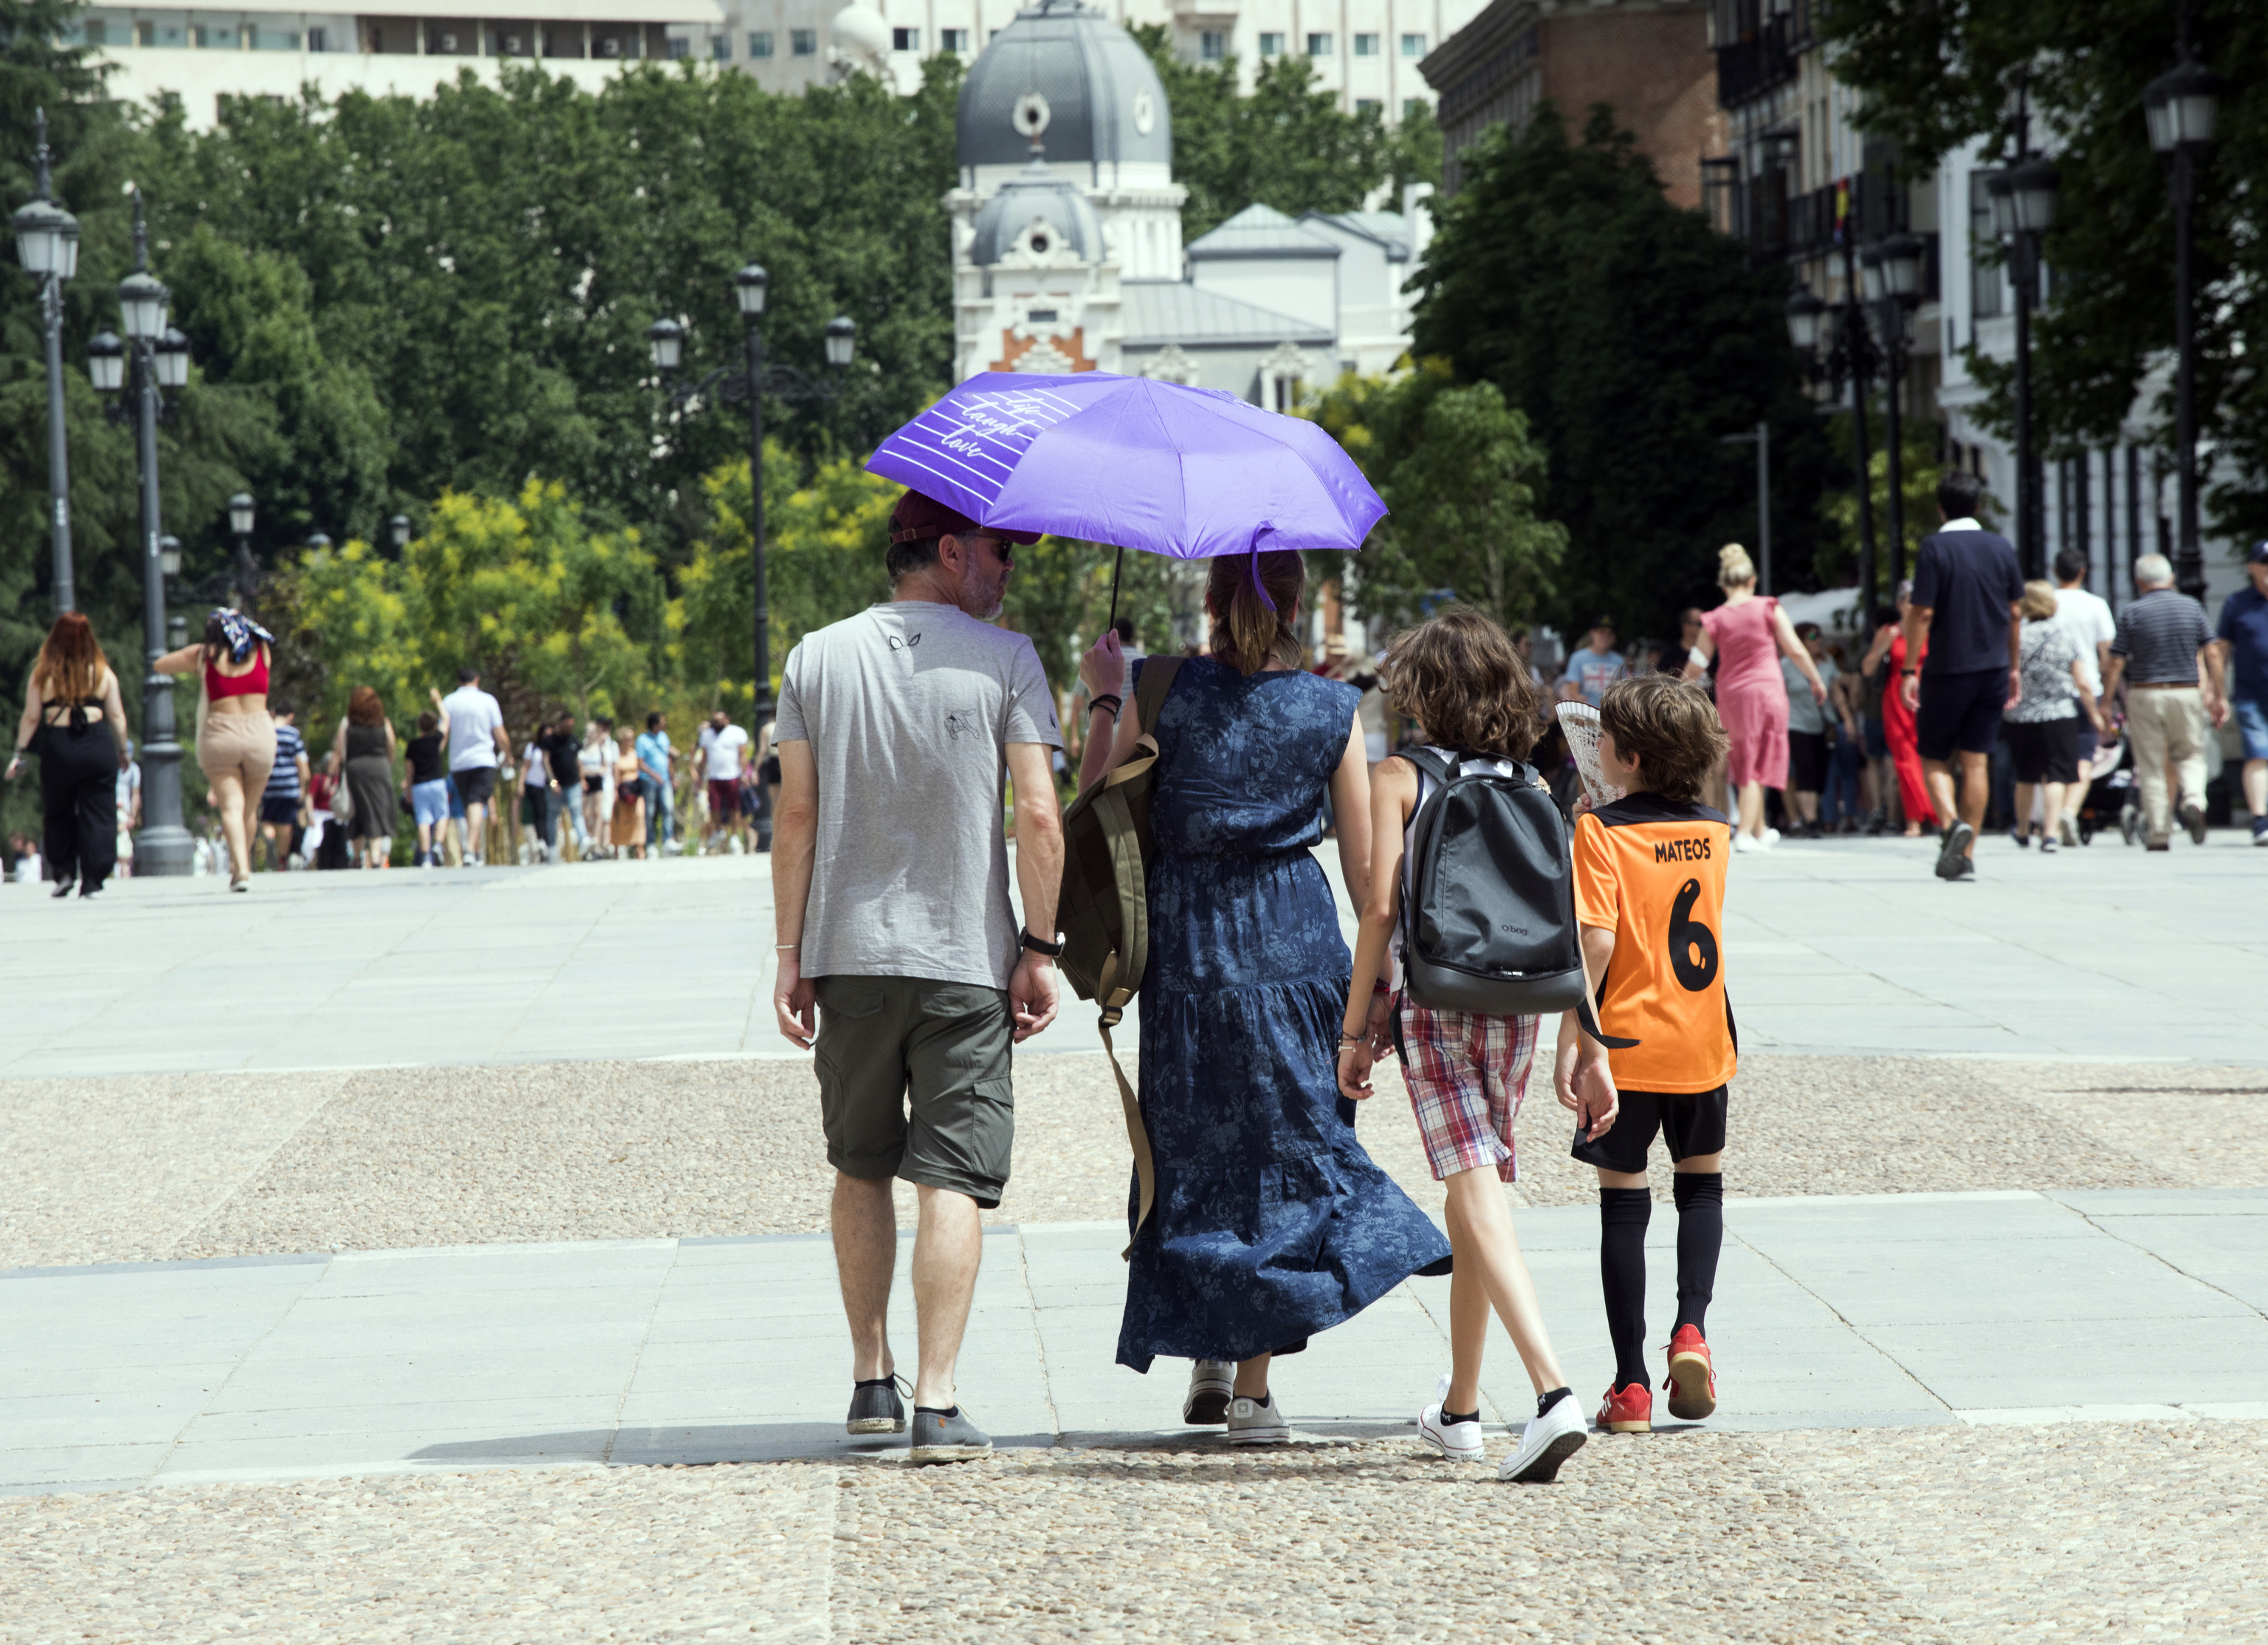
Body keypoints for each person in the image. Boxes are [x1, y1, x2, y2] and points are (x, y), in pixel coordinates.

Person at [1077, 549, 1452, 1449]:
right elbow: (1371, 882)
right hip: (1297, 946)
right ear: (1294, 609)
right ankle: (1250, 1388)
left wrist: (1101, 692)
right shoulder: (1332, 708)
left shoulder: (1158, 685)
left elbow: (1092, 800)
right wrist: (1377, 992)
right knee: (1289, 1157)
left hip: (1190, 952)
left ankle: (1208, 1357)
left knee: (1195, 1154)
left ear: (1208, 603)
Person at [772, 488, 1062, 1466]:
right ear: (950, 551)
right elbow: (1038, 814)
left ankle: (869, 1380)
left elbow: (797, 817)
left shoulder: (815, 654)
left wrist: (789, 955)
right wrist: (1040, 946)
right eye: (1001, 554)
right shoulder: (1010, 660)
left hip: (848, 953)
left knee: (859, 1166)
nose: (1009, 570)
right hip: (963, 961)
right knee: (952, 1179)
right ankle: (936, 1402)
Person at [1336, 608, 1592, 1483]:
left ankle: (1553, 1390)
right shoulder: (1525, 776)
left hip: (1436, 1000)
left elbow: (1379, 907)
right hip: (1516, 1001)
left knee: (1473, 1184)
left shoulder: (1399, 772)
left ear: (1422, 688)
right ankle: (1461, 1407)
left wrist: (1356, 1023)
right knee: (1474, 1190)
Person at [1554, 674, 1734, 1436]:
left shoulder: (1600, 832)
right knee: (1702, 1188)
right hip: (1703, 1034)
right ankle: (1691, 1328)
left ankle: (1630, 1384)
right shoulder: (1717, 829)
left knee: (1623, 1205)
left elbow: (1596, 936)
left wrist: (1575, 1029)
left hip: (1624, 1042)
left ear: (1622, 755)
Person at [1903, 473, 2025, 881]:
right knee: (1977, 762)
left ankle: (1951, 823)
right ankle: (1967, 853)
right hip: (1992, 668)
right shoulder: (2001, 547)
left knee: (1933, 755)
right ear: (1977, 506)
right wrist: (2013, 667)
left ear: (1941, 507)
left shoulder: (1934, 548)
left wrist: (1909, 668)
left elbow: (1922, 612)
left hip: (1948, 667)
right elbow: (2015, 612)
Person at [1685, 544, 1824, 853]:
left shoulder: (1715, 618)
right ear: (1751, 581)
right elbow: (1796, 650)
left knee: (1745, 756)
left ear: (1723, 585)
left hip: (1733, 694)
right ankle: (1745, 833)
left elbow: (1697, 663)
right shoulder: (1768, 608)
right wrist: (1815, 679)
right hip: (1768, 689)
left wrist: (1675, 693)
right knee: (1759, 759)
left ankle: (1760, 829)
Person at [2105, 553, 2227, 851]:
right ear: (2171, 578)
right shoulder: (2192, 607)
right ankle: (2195, 800)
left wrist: (2106, 701)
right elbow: (2212, 653)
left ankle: (2159, 832)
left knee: (2151, 765)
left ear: (2138, 581)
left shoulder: (2131, 612)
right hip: (2186, 692)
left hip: (2145, 693)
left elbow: (2116, 662)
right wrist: (2219, 694)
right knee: (2189, 754)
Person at [6, 612, 131, 899]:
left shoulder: (42, 675)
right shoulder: (102, 673)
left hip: (59, 747)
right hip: (97, 744)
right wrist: (123, 749)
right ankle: (94, 879)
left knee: (58, 810)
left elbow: (30, 717)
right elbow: (116, 714)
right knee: (99, 812)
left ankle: (63, 872)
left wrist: (19, 752)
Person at [154, 610, 276, 892]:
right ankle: (239, 867)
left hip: (221, 735)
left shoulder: (204, 655)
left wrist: (200, 652)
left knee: (231, 807)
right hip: (260, 733)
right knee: (249, 808)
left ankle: (241, 870)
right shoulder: (261, 650)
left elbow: (161, 665)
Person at [2004, 581, 2104, 854]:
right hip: (2059, 714)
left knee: (2025, 775)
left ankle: (2023, 829)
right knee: (2056, 775)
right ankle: (2050, 833)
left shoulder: (2016, 637)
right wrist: (2094, 715)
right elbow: (2082, 682)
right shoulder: (2063, 636)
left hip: (2021, 715)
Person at [2050, 549, 2118, 841]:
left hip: (2051, 692)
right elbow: (2108, 654)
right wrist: (2106, 697)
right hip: (2087, 688)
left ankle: (2050, 822)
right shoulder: (2096, 605)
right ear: (2083, 572)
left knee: (2053, 758)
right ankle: (2069, 809)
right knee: (2085, 755)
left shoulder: (2047, 603)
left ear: (2055, 572)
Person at [1861, 583, 1934, 836]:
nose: (1914, 605)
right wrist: (1883, 646)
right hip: (1896, 698)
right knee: (1904, 759)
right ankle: (1915, 818)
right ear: (1900, 603)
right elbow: (1867, 669)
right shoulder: (1888, 631)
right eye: (1909, 600)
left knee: (1927, 756)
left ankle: (1934, 813)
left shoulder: (1931, 628)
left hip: (1927, 696)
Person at [2214, 540, 2268, 846]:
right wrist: (2217, 692)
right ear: (2252, 568)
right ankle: (2260, 819)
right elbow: (2221, 651)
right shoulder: (2238, 603)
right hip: (2250, 694)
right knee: (2259, 753)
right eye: (2264, 562)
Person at [438, 670, 509, 867]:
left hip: (459, 763)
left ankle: (474, 852)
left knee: (470, 804)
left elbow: (442, 732)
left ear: (458, 682)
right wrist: (508, 755)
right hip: (483, 759)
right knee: (476, 803)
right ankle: (470, 849)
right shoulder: (488, 701)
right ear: (477, 681)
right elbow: (500, 734)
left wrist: (436, 755)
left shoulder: (449, 701)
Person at [327, 687, 399, 870]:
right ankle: (375, 856)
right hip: (379, 768)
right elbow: (391, 746)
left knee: (358, 811)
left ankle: (357, 857)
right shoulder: (383, 722)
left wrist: (331, 776)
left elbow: (338, 751)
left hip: (356, 769)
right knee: (377, 809)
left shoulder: (347, 723)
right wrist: (387, 764)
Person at [1781, 622, 1839, 839]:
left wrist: (1841, 721)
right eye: (1813, 636)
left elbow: (1835, 695)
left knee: (1819, 773)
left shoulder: (1827, 663)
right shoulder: (1786, 665)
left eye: (1820, 635)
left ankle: (1810, 816)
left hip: (1819, 724)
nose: (1818, 640)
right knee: (1804, 771)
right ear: (1800, 639)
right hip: (1794, 724)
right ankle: (1811, 821)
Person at [259, 708, 310, 870]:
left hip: (269, 785)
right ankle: (282, 859)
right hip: (289, 785)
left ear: (274, 714)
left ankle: (270, 838)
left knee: (267, 820)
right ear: (291, 716)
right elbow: (301, 763)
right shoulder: (293, 735)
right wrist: (302, 785)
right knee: (286, 823)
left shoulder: (266, 733)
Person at [696, 710, 752, 854]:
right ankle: (719, 830)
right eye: (714, 721)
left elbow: (743, 755)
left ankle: (734, 836)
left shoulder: (737, 733)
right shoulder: (707, 735)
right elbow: (704, 758)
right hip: (714, 776)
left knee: (734, 807)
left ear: (727, 720)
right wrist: (699, 777)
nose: (716, 724)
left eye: (719, 721)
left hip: (732, 775)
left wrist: (744, 773)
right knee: (714, 806)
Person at [403, 710, 450, 867]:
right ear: (435, 726)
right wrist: (438, 701)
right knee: (442, 815)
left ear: (419, 726)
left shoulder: (413, 745)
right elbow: (447, 720)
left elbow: (409, 770)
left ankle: (426, 857)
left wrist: (409, 790)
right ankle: (438, 845)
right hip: (437, 782)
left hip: (419, 786)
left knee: (423, 820)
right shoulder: (436, 740)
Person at [542, 715, 586, 859]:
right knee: (553, 816)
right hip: (556, 786)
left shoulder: (573, 739)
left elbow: (578, 761)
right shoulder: (549, 741)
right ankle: (553, 847)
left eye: (571, 727)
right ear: (560, 724)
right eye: (567, 726)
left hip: (573, 784)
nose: (569, 729)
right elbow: (546, 762)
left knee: (577, 812)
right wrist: (553, 783)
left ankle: (584, 839)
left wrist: (582, 779)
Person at [1558, 617, 1626, 708]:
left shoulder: (1619, 661)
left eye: (1610, 633)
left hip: (1611, 713)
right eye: (1602, 632)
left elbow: (1623, 691)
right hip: (1586, 713)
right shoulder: (1578, 658)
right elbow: (1573, 691)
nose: (1606, 636)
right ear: (1592, 633)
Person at [637, 712, 678, 854]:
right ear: (655, 724)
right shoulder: (642, 740)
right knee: (650, 812)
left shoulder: (663, 737)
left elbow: (668, 758)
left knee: (668, 809)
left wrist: (672, 777)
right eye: (662, 721)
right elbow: (640, 763)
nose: (665, 724)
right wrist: (654, 775)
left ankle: (668, 841)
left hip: (665, 780)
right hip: (649, 781)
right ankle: (651, 844)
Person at [580, 716, 615, 858]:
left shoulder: (601, 749)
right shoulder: (582, 747)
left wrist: (594, 772)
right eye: (587, 731)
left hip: (598, 781)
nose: (589, 734)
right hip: (585, 782)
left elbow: (605, 767)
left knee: (597, 812)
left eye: (591, 731)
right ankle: (588, 841)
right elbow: (578, 766)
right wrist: (584, 775)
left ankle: (597, 843)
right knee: (586, 813)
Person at [610, 723, 645, 859]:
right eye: (628, 738)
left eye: (632, 738)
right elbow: (615, 773)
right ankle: (617, 848)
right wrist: (615, 789)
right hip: (622, 789)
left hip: (635, 789)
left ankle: (639, 847)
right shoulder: (616, 755)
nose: (631, 741)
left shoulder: (635, 754)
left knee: (639, 816)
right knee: (619, 818)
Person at [518, 731, 553, 863]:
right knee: (537, 813)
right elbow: (525, 767)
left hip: (547, 785)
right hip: (533, 785)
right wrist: (521, 783)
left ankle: (547, 843)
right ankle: (540, 841)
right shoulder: (533, 748)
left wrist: (554, 784)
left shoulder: (552, 748)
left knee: (546, 814)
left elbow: (552, 775)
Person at [114, 738, 141, 879]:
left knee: (123, 841)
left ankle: (124, 872)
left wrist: (132, 815)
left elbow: (135, 794)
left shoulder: (134, 770)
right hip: (111, 809)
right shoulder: (112, 766)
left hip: (124, 811)